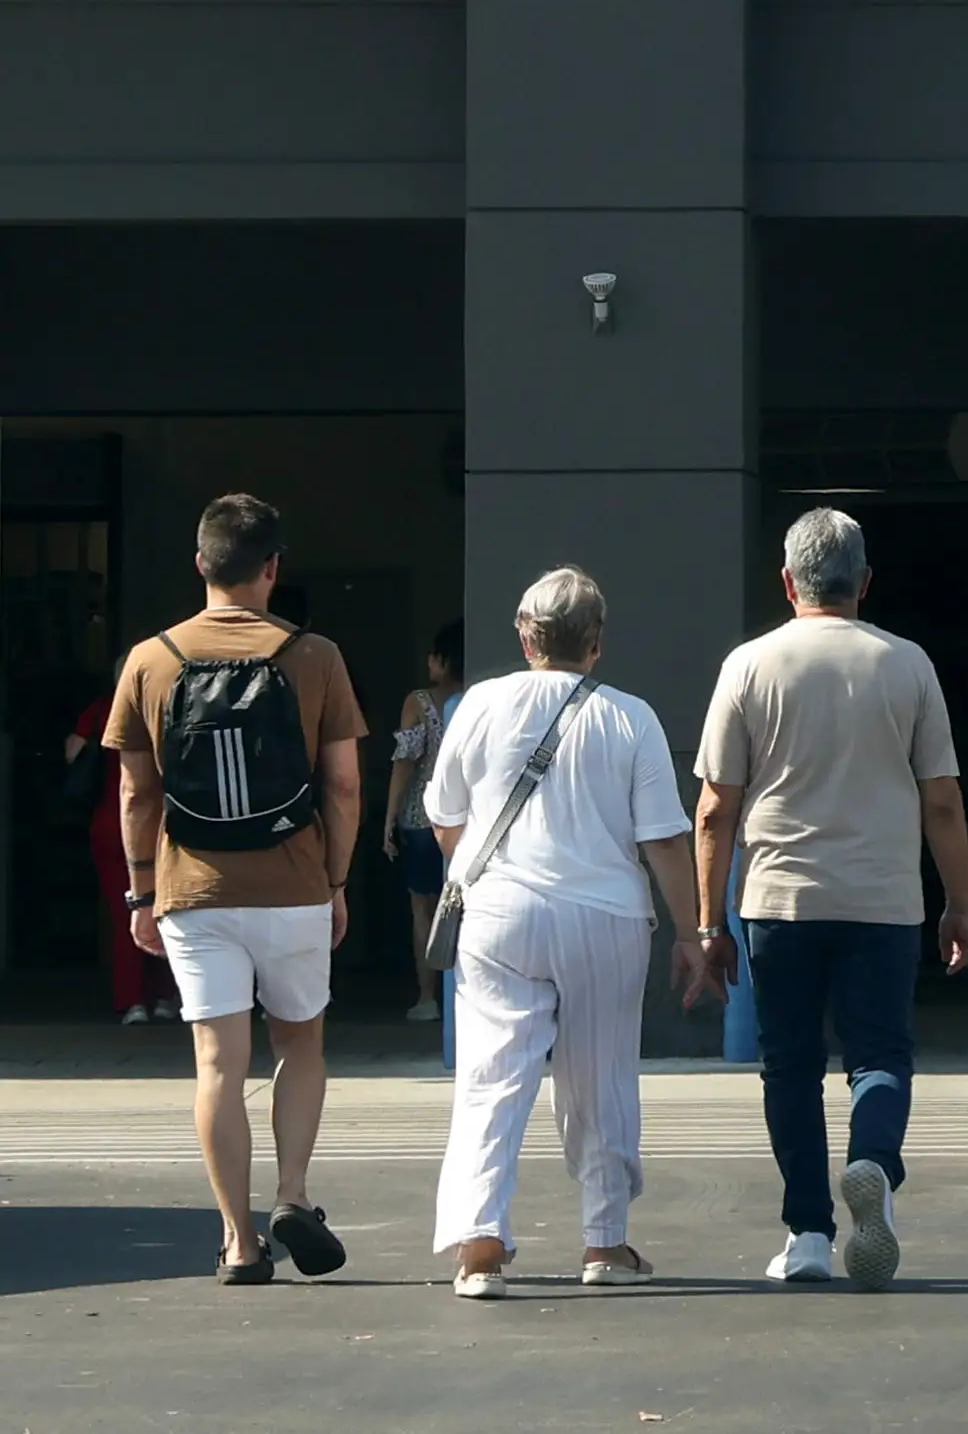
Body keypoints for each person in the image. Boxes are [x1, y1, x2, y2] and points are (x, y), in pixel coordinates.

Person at [693, 507, 968, 1290]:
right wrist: (960, 903)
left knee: (789, 1066)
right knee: (880, 1055)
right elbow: (943, 799)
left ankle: (809, 1235)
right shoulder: (908, 663)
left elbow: (717, 805)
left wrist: (709, 921)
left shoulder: (748, 665)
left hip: (779, 901)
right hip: (884, 901)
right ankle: (874, 1164)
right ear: (865, 582)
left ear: (787, 582)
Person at [104, 492, 367, 1284]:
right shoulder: (314, 655)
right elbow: (345, 786)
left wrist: (141, 893)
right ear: (273, 568)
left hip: (194, 887)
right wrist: (336, 880)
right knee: (301, 1044)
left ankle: (238, 1241)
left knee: (219, 1062)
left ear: (201, 565)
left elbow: (135, 792)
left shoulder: (151, 659)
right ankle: (292, 1194)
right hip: (293, 884)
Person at [425, 568, 705, 1299]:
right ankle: (604, 1243)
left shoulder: (477, 705)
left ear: (524, 636)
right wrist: (691, 933)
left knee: (491, 1076)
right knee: (602, 1075)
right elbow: (664, 841)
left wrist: (473, 873)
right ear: (597, 643)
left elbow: (444, 814)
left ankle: (480, 1244)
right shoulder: (629, 717)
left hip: (498, 913)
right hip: (604, 916)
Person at [64, 695, 179, 1023]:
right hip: (163, 826)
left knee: (125, 915)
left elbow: (73, 753)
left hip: (113, 823)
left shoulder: (101, 709)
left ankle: (132, 1001)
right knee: (170, 912)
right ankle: (164, 995)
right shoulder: (168, 703)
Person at [384, 620, 468, 1022]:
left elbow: (405, 761)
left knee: (424, 909)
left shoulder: (419, 702)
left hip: (422, 817)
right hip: (470, 820)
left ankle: (427, 996)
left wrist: (390, 815)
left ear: (441, 660)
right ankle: (463, 996)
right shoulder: (479, 698)